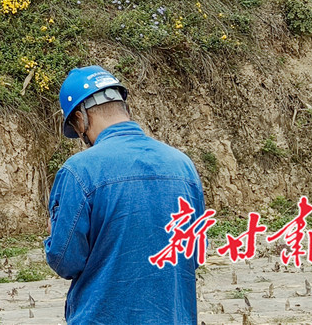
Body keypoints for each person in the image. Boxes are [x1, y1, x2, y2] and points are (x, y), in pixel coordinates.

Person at [44, 66, 207, 325]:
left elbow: (66, 260)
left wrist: (54, 231)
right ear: (124, 107)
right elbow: (195, 252)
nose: (81, 137)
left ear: (80, 118)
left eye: (77, 130)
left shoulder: (79, 171)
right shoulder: (183, 166)